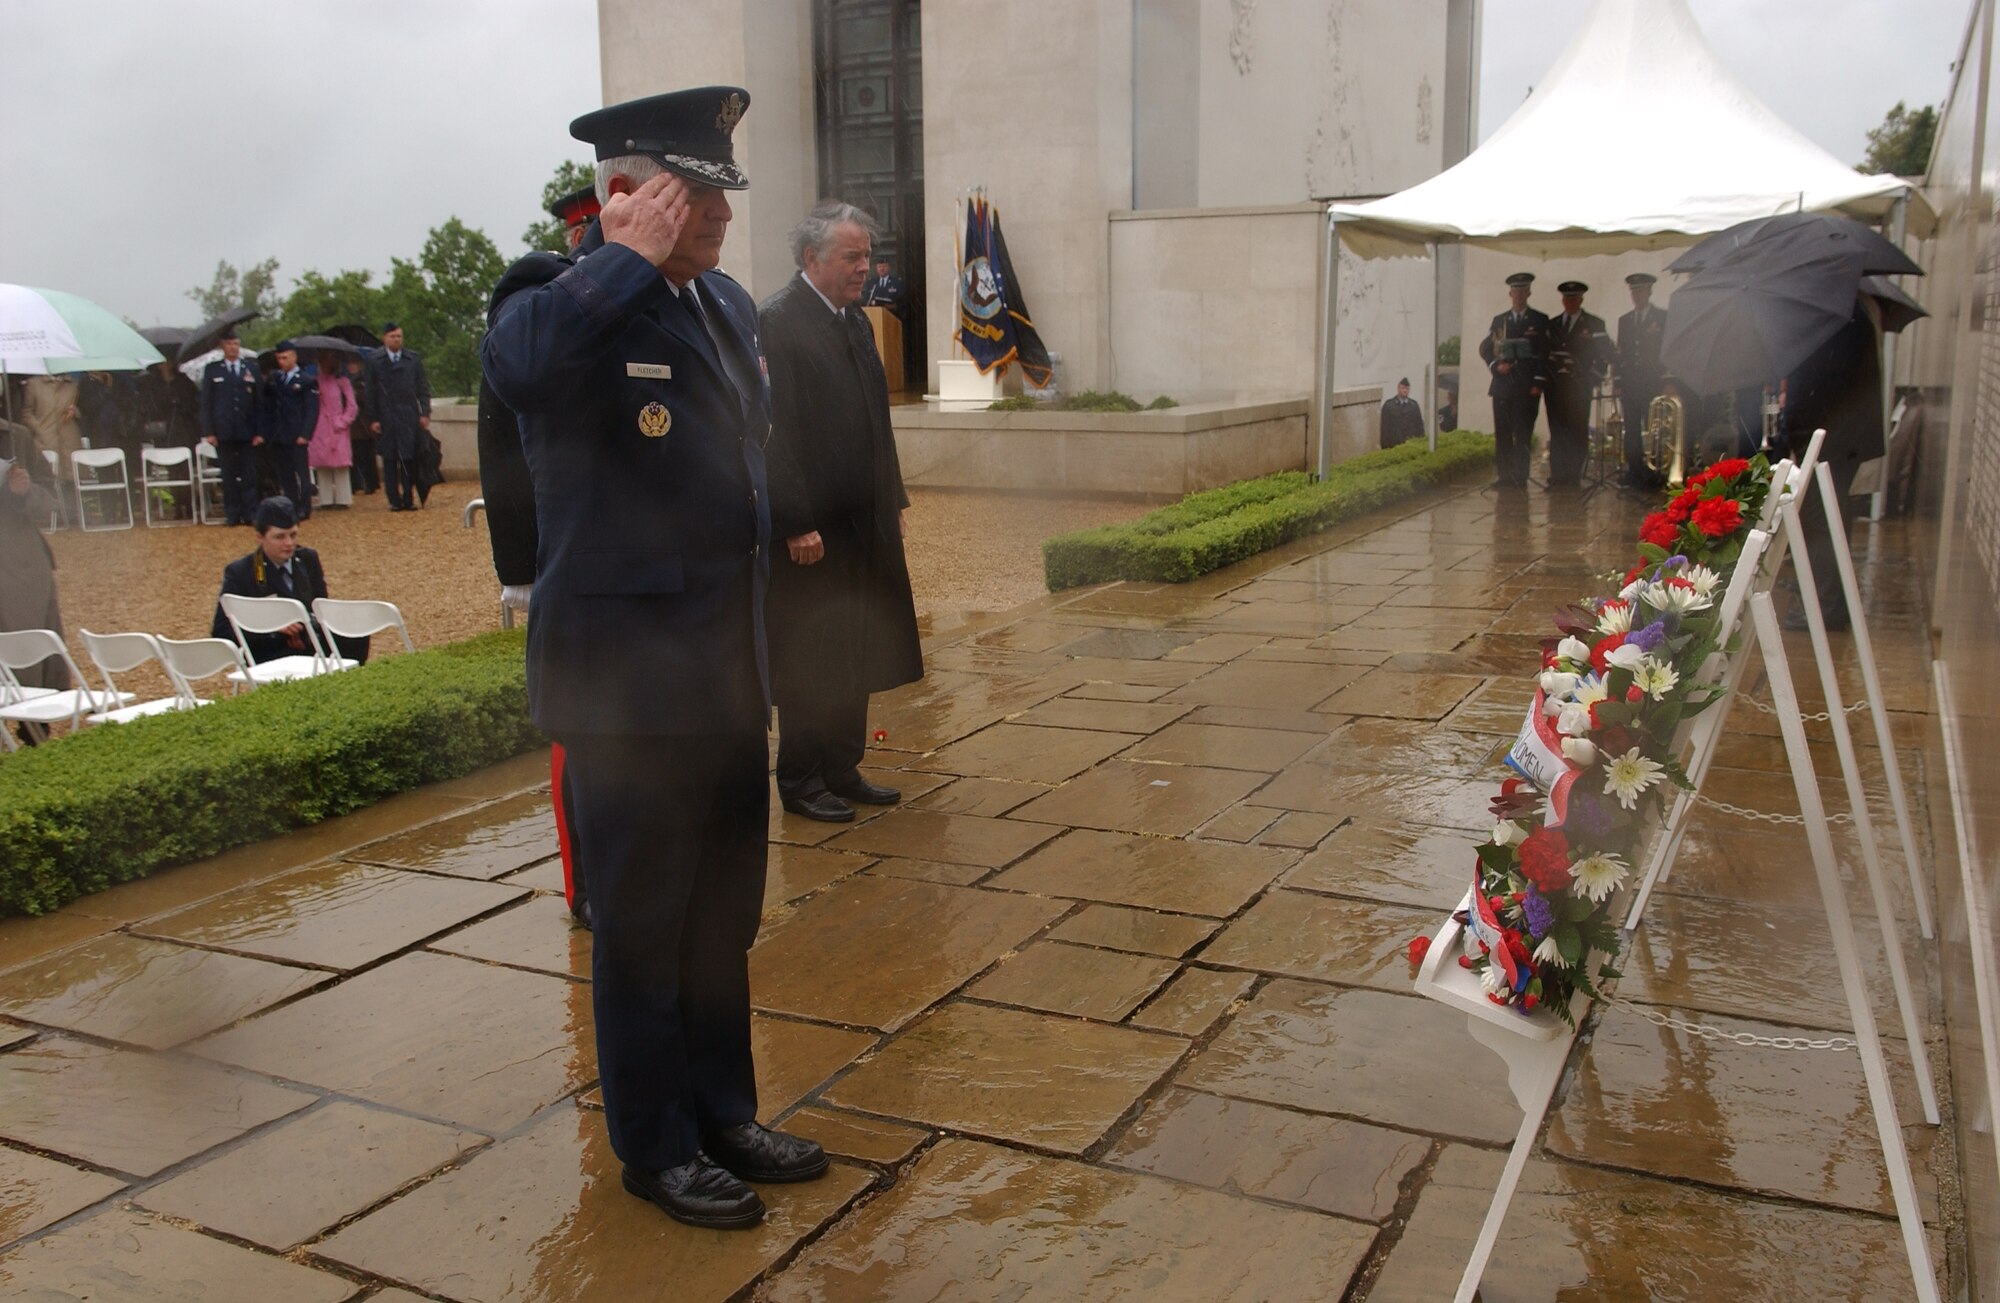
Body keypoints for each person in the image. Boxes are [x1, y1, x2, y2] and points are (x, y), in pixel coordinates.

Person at [482, 85, 826, 1232]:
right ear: (623, 196)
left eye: (725, 191)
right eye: (694, 194)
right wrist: (616, 260)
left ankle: (724, 1109)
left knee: (721, 914)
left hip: (722, 673)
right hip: (627, 687)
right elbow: (520, 374)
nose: (721, 214)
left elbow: (742, 467)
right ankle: (655, 1143)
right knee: (641, 923)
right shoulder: (558, 293)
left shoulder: (721, 304)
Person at [760, 201, 924, 824]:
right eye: (852, 257)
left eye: (866, 256)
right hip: (814, 532)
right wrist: (796, 519)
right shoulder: (776, 322)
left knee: (855, 640)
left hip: (864, 522)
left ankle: (842, 766)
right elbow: (774, 432)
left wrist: (893, 502)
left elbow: (875, 424)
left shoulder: (855, 321)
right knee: (813, 650)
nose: (866, 267)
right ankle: (801, 778)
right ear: (812, 260)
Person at [474, 180, 601, 930]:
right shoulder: (537, 288)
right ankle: (581, 881)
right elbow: (504, 441)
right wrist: (518, 564)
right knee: (579, 733)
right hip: (563, 554)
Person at [1781, 299, 1883, 632]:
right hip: (1840, 437)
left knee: (1821, 521)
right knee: (1826, 518)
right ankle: (1823, 593)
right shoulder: (1847, 314)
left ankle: (1827, 606)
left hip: (1833, 438)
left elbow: (1819, 378)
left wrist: (1791, 420)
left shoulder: (1840, 318)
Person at [209, 495, 370, 664]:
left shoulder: (308, 559)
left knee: (355, 633)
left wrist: (308, 632)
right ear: (260, 538)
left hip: (309, 643)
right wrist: (272, 629)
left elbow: (320, 607)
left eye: (293, 535)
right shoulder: (241, 572)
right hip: (270, 650)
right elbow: (221, 632)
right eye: (279, 537)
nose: (289, 543)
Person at [0, 456, 68, 743]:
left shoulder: (17, 437)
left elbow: (51, 499)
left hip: (18, 564)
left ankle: (33, 728)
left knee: (27, 644)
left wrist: (23, 492)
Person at [1477, 272, 1549, 489]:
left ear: (1528, 293)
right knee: (1503, 433)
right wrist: (1495, 366)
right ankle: (1505, 476)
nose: (1518, 295)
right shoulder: (1500, 320)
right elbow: (1486, 348)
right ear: (1510, 294)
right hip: (1503, 387)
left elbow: (1545, 353)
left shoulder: (1539, 319)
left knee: (1523, 433)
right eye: (1515, 291)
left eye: (1522, 291)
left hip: (1526, 387)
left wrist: (1538, 382)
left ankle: (1520, 476)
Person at [1542, 281, 1608, 487]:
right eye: (1566, 298)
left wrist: (1593, 378)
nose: (1569, 302)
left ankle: (1573, 474)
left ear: (1580, 300)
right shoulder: (1552, 325)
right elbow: (1545, 354)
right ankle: (1558, 473)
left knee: (1577, 429)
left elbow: (1604, 354)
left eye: (1573, 298)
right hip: (1556, 386)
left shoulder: (1594, 323)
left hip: (1579, 386)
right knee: (1557, 429)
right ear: (1562, 300)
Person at [364, 324, 432, 511]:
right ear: (385, 337)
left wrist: (425, 412)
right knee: (390, 459)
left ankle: (409, 498)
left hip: (408, 415)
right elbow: (369, 392)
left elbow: (423, 388)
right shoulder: (374, 360)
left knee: (408, 458)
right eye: (393, 336)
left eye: (399, 336)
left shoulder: (413, 359)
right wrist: (373, 419)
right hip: (386, 416)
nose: (397, 339)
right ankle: (394, 500)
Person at [201, 329, 264, 526]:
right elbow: (206, 402)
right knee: (228, 474)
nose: (233, 348)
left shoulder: (251, 368)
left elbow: (259, 402)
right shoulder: (213, 369)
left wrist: (260, 431)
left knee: (248, 474)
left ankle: (250, 513)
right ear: (222, 346)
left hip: (247, 429)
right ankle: (232, 513)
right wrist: (209, 431)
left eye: (236, 344)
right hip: (224, 430)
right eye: (229, 344)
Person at [1614, 272, 1669, 488]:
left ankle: (1654, 471)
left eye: (1641, 291)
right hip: (1630, 383)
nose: (1637, 295)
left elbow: (1667, 351)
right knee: (1632, 429)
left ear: (1649, 291)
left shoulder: (1662, 317)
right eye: (1634, 292)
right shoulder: (1625, 320)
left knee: (1654, 427)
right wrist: (1618, 381)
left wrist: (1667, 380)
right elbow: (1621, 353)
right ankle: (1634, 471)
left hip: (1652, 381)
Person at [261, 342, 320, 519]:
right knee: (285, 473)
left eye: (285, 357)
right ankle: (291, 505)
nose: (281, 361)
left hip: (296, 433)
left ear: (294, 357)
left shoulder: (306, 380)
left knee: (301, 473)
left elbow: (312, 410)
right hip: (279, 434)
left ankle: (304, 506)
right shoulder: (275, 378)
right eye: (279, 358)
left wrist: (306, 433)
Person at [307, 349, 359, 510]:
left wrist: (344, 421)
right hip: (320, 425)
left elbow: (352, 404)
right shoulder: (313, 382)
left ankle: (344, 498)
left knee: (341, 463)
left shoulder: (342, 382)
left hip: (337, 424)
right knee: (322, 463)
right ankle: (326, 499)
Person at [137, 360, 201, 450]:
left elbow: (193, 402)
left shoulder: (183, 381)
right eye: (161, 364)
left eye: (167, 363)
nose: (165, 366)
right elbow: (151, 404)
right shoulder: (153, 384)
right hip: (162, 427)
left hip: (183, 426)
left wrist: (180, 401)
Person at [347, 354, 379, 496]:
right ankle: (356, 483)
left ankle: (371, 482)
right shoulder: (346, 380)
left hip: (364, 423)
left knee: (368, 455)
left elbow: (369, 397)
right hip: (353, 425)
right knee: (354, 456)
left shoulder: (365, 380)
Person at [1378, 377, 1425, 449]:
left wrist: (1421, 441)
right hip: (1394, 443)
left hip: (1411, 444)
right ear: (1398, 388)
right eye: (1403, 388)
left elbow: (1419, 425)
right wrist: (1385, 446)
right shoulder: (1389, 405)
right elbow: (1385, 428)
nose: (1405, 390)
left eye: (1407, 388)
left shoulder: (1414, 405)